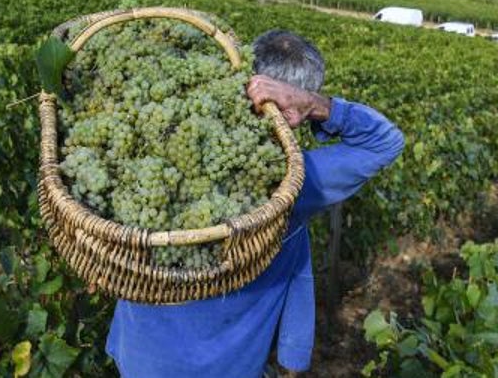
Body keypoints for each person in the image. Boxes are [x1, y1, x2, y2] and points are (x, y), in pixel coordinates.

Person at [106, 29, 406, 377]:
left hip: (138, 356)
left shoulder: (160, 142)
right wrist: (315, 104)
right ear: (290, 105)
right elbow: (385, 142)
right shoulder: (292, 183)